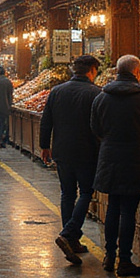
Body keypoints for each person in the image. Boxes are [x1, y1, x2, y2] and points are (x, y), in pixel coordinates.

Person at [91, 54, 140, 276]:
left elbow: (95, 129)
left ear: (116, 71)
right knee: (129, 211)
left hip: (110, 159)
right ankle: (124, 261)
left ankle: (109, 255)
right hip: (136, 161)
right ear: (137, 72)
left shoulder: (101, 98)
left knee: (113, 207)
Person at [40, 54, 102, 266]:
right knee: (86, 192)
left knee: (67, 193)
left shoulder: (57, 91)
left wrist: (44, 146)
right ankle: (68, 235)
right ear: (92, 70)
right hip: (87, 151)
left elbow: (46, 120)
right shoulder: (96, 92)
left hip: (62, 150)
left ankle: (71, 239)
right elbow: (100, 126)